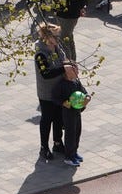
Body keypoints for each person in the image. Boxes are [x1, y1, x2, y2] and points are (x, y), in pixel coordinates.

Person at [33, 23, 68, 162]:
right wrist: (64, 68)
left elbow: (64, 60)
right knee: (47, 119)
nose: (58, 39)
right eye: (56, 36)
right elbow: (46, 74)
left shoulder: (57, 48)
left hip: (59, 89)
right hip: (46, 93)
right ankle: (44, 147)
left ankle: (58, 143)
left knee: (59, 117)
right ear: (47, 37)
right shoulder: (40, 54)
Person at [53, 61, 88, 167]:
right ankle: (68, 156)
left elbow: (84, 92)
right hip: (68, 113)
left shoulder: (76, 82)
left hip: (77, 111)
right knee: (70, 134)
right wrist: (64, 103)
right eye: (75, 70)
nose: (77, 72)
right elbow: (55, 98)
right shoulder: (61, 85)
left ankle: (74, 152)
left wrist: (87, 98)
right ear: (68, 72)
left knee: (77, 131)